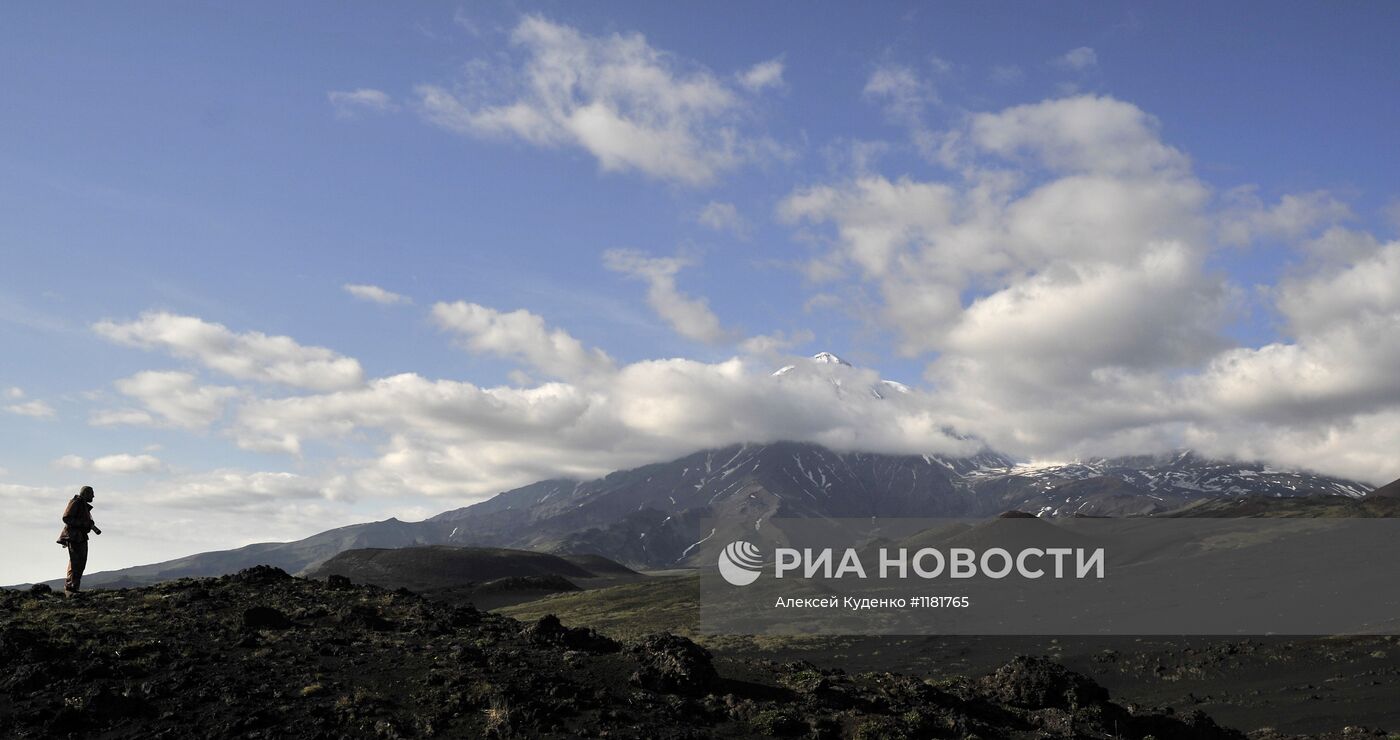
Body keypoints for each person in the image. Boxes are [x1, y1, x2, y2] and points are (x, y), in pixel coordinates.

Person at [57, 485, 102, 596]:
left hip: (80, 536)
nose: (93, 496)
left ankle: (73, 588)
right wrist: (84, 524)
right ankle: (70, 589)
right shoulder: (76, 502)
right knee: (75, 562)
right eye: (91, 493)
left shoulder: (82, 505)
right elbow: (66, 518)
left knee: (80, 563)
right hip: (74, 537)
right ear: (86, 493)